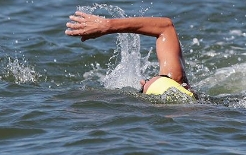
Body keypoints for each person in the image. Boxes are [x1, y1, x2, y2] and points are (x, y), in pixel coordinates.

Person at [65, 11, 196, 99]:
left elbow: (165, 27)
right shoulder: (176, 80)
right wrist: (108, 25)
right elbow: (166, 27)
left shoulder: (176, 84)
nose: (142, 81)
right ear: (187, 88)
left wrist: (108, 25)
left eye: (143, 87)